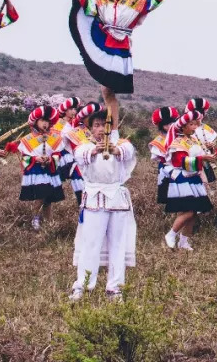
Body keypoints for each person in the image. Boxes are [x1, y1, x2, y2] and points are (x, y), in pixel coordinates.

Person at [64, 0, 164, 126]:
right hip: (103, 40)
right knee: (106, 90)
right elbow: (86, 4)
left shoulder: (135, 2)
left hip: (119, 47)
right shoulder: (103, 2)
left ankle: (114, 129)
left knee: (108, 90)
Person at [70, 108, 138, 301]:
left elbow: (128, 152)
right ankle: (82, 286)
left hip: (117, 199)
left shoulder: (122, 145)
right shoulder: (83, 147)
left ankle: (114, 288)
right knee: (90, 243)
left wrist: (115, 149)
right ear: (90, 128)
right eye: (97, 125)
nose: (101, 129)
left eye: (105, 125)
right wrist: (95, 150)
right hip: (94, 199)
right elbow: (82, 155)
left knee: (118, 244)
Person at [162, 110, 217, 251]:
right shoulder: (178, 142)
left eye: (195, 124)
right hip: (182, 179)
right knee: (189, 211)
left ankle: (184, 242)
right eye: (191, 124)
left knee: (194, 212)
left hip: (194, 178)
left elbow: (200, 156)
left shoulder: (193, 140)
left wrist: (209, 156)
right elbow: (179, 162)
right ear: (183, 127)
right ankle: (171, 234)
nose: (194, 127)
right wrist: (202, 159)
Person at [17, 105, 66, 231]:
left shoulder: (54, 138)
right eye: (42, 120)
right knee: (41, 195)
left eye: (47, 121)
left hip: (49, 170)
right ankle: (35, 218)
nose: (45, 124)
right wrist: (35, 159)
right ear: (36, 121)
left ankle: (48, 221)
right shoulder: (27, 140)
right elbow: (24, 158)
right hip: (36, 171)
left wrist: (51, 159)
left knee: (48, 198)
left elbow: (57, 153)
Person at [149, 106, 179, 207]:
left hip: (181, 166)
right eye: (166, 124)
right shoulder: (158, 140)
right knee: (167, 190)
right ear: (161, 126)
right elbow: (158, 157)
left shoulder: (181, 136)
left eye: (171, 123)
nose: (170, 126)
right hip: (166, 168)